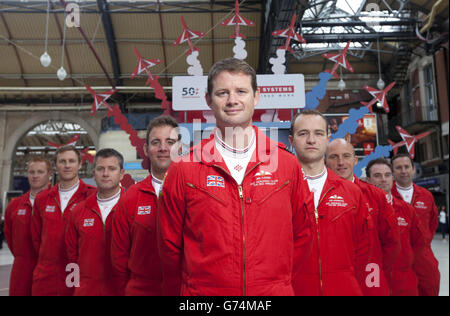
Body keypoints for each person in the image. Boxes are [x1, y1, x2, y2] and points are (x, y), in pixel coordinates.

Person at [157, 58, 312, 296]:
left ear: (256, 96)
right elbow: (169, 247)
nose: (232, 100)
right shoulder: (183, 168)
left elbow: (303, 235)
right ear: (208, 100)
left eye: (241, 91)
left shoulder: (287, 164)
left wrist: (274, 284)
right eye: (222, 92)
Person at [289, 110, 372, 296]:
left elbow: (364, 247)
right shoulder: (278, 191)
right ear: (291, 141)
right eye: (303, 134)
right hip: (294, 290)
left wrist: (345, 281)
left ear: (327, 138)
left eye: (318, 133)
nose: (311, 140)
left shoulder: (351, 192)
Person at [111, 115, 181, 295]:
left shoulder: (194, 194)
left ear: (180, 148)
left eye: (170, 142)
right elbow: (118, 259)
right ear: (146, 149)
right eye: (156, 142)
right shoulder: (130, 197)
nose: (163, 148)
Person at [325, 138, 400, 296]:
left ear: (355, 160)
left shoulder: (376, 196)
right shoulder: (316, 195)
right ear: (325, 161)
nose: (340, 162)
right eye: (334, 157)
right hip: (332, 281)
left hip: (370, 282)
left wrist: (374, 266)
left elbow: (392, 241)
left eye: (346, 156)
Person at [31, 146, 96, 296]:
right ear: (55, 166)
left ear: (80, 165)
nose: (67, 165)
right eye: (62, 161)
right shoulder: (42, 199)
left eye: (71, 161)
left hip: (77, 272)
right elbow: (36, 238)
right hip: (46, 274)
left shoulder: (92, 196)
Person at [65, 148, 125, 296]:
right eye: (100, 169)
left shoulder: (132, 207)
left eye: (111, 169)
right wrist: (76, 289)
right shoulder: (78, 211)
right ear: (94, 174)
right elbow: (71, 257)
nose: (105, 174)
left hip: (123, 291)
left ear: (122, 173)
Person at [366, 158, 426, 296]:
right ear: (368, 180)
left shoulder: (406, 210)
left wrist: (405, 262)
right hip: (373, 281)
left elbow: (419, 242)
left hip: (403, 283)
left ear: (392, 178)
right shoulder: (362, 209)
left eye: (387, 175)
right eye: (377, 176)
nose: (383, 179)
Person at [391, 153, 440, 296]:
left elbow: (432, 223)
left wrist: (422, 243)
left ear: (413, 169)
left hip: (423, 257)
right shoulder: (386, 196)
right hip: (397, 259)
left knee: (429, 288)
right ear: (393, 172)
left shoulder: (426, 195)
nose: (404, 171)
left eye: (407, 167)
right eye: (398, 168)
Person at [3, 157, 52, 296]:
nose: (35, 176)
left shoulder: (57, 202)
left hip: (49, 269)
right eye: (31, 172)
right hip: (22, 268)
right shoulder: (14, 205)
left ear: (49, 174)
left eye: (40, 172)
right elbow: (9, 236)